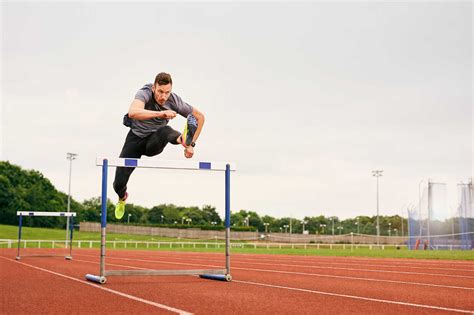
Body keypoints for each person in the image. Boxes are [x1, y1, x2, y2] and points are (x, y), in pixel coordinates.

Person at [113, 72, 205, 219]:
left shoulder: (174, 101)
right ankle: (122, 197)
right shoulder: (144, 93)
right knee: (118, 184)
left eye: (167, 93)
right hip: (135, 140)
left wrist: (192, 144)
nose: (163, 97)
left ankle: (183, 140)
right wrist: (161, 114)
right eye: (160, 92)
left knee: (166, 131)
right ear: (154, 87)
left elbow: (200, 117)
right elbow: (133, 112)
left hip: (153, 142)